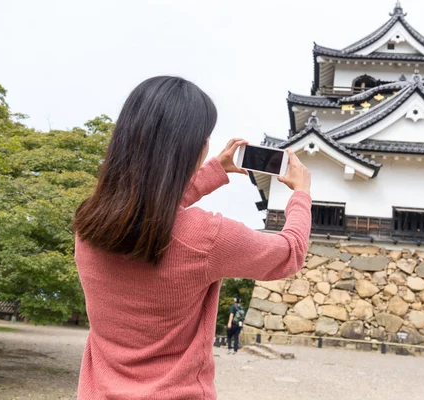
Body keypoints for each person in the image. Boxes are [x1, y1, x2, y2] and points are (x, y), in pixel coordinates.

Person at [73, 76, 311, 399]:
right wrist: (301, 193)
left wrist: (215, 170)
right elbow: (290, 252)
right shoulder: (208, 239)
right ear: (193, 149)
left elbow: (151, 208)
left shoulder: (88, 226)